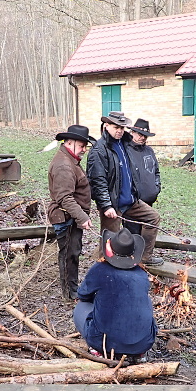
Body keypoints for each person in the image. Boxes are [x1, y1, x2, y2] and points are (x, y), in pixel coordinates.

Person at [86, 111, 163, 266]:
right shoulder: (99, 149)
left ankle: (144, 258)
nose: (120, 130)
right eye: (116, 127)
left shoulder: (124, 144)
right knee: (109, 243)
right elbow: (97, 181)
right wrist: (107, 205)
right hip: (113, 204)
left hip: (131, 201)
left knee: (153, 218)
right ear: (106, 126)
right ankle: (100, 274)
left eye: (122, 127)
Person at [73, 228, 158, 364]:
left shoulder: (99, 270)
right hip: (144, 343)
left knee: (80, 308)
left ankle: (97, 350)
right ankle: (139, 353)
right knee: (144, 301)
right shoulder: (142, 274)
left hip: (105, 343)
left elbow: (83, 295)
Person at [47, 124, 95, 300]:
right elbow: (64, 198)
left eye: (85, 146)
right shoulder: (64, 166)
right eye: (81, 145)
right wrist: (82, 216)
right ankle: (69, 293)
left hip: (71, 217)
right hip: (65, 217)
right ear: (69, 142)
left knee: (73, 253)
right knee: (69, 255)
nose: (84, 149)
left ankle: (72, 288)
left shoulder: (70, 160)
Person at [127, 118, 161, 207]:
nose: (142, 138)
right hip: (132, 204)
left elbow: (156, 172)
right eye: (140, 134)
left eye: (145, 136)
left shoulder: (149, 151)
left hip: (149, 202)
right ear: (132, 132)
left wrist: (156, 189)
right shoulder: (125, 151)